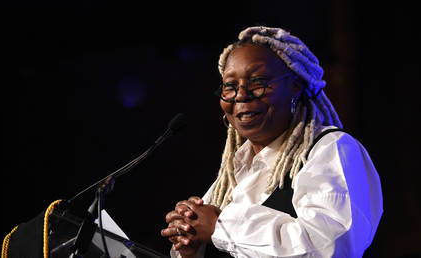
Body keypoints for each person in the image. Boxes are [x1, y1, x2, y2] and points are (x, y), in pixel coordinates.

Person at [160, 26, 383, 257]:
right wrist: (191, 240)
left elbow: (328, 248)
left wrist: (220, 227)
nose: (241, 95)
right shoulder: (233, 172)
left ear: (295, 87)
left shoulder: (332, 150)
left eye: (257, 82)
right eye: (230, 86)